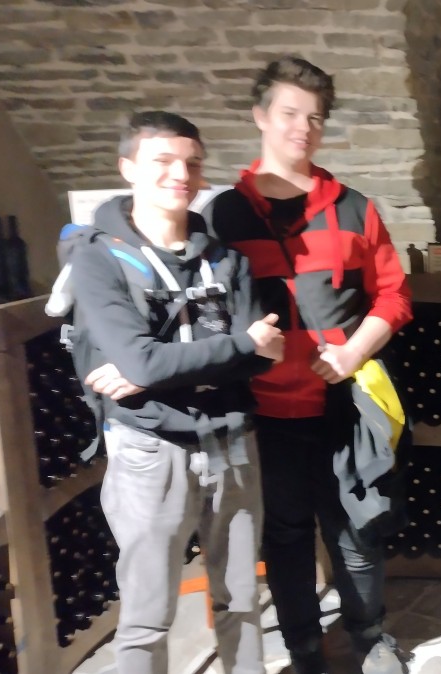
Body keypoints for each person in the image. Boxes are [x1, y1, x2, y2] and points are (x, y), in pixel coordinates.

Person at [204, 55, 413, 674]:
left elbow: (394, 296)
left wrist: (351, 352)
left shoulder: (354, 208)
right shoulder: (221, 216)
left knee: (356, 529)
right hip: (260, 411)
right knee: (286, 535)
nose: (303, 128)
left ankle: (369, 638)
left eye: (315, 118)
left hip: (341, 403)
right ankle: (303, 648)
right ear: (260, 116)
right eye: (290, 113)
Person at [68, 111, 283, 674]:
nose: (181, 175)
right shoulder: (98, 259)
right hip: (150, 448)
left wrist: (156, 369)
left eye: (192, 163)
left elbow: (264, 356)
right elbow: (149, 359)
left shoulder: (228, 259)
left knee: (242, 599)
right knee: (148, 614)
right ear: (128, 168)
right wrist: (236, 347)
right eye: (162, 161)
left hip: (232, 441)